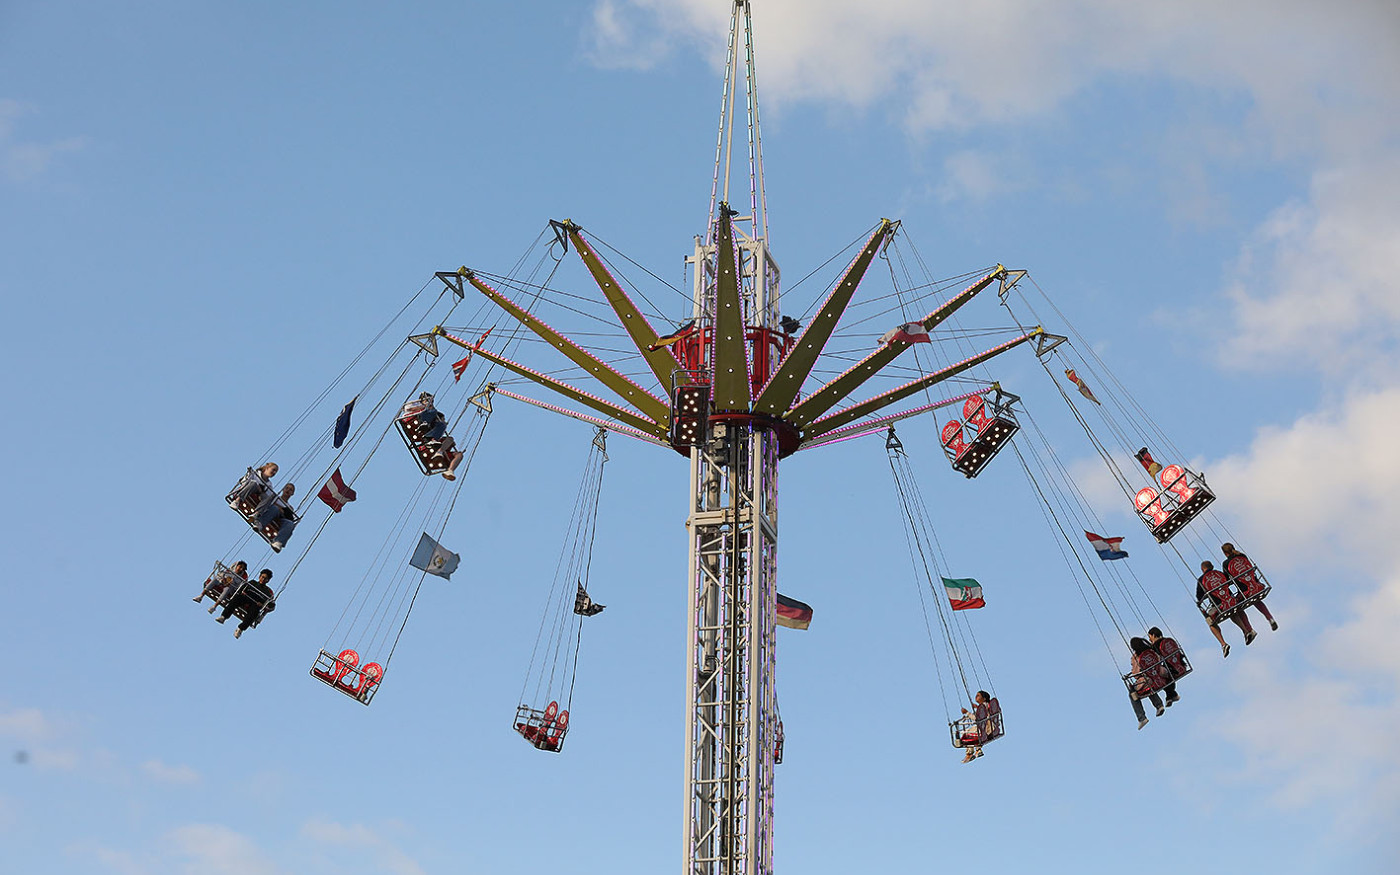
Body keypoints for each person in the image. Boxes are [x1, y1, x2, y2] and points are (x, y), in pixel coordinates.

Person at [1196, 559, 1255, 656]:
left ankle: (1223, 644)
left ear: (1203, 569)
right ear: (1212, 566)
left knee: (1210, 622)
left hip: (1219, 605)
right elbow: (1228, 582)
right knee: (1233, 611)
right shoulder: (1219, 573)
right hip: (1230, 601)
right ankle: (1245, 630)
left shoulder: (1201, 579)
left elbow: (1199, 596)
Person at [1222, 543, 1279, 632]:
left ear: (1225, 553)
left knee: (1237, 606)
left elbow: (1227, 579)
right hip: (1256, 584)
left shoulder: (1226, 563)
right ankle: (1270, 618)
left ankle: (1249, 629)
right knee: (1256, 599)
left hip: (1245, 591)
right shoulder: (1242, 556)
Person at [218, 568, 276, 639]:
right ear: (259, 576)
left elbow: (272, 605)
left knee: (254, 612)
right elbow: (242, 588)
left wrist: (263, 605)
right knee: (236, 599)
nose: (263, 579)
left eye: (265, 579)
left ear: (268, 581)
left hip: (256, 603)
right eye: (262, 577)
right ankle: (224, 616)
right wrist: (243, 592)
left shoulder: (268, 592)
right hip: (247, 597)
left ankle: (240, 629)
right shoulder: (252, 583)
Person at [1127, 637, 1166, 729]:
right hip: (1159, 674)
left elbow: (1136, 673)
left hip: (1147, 680)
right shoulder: (1151, 651)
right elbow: (1159, 658)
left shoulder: (1136, 657)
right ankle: (1159, 705)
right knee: (1148, 686)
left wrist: (1134, 671)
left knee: (1135, 690)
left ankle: (1142, 718)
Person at [253, 483, 298, 552]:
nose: (288, 490)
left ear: (292, 493)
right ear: (283, 489)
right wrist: (279, 508)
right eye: (287, 488)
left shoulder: (290, 507)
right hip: (271, 512)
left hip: (280, 519)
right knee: (275, 509)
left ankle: (278, 541)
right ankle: (260, 523)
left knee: (290, 524)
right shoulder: (275, 497)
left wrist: (282, 510)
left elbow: (289, 517)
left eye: (291, 490)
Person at [1146, 626, 1182, 707]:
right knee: (1168, 678)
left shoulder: (1156, 645)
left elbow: (1156, 659)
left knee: (1162, 677)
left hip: (1169, 668)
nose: (1149, 639)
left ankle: (1171, 696)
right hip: (1179, 664)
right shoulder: (1168, 641)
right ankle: (1172, 695)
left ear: (1154, 635)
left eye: (1150, 637)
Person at [958, 690, 993, 762]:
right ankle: (977, 750)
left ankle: (970, 753)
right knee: (971, 731)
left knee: (968, 734)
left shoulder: (983, 708)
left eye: (978, 695)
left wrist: (967, 713)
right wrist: (977, 707)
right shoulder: (986, 706)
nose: (976, 697)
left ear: (984, 698)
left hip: (985, 727)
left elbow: (977, 719)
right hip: (988, 726)